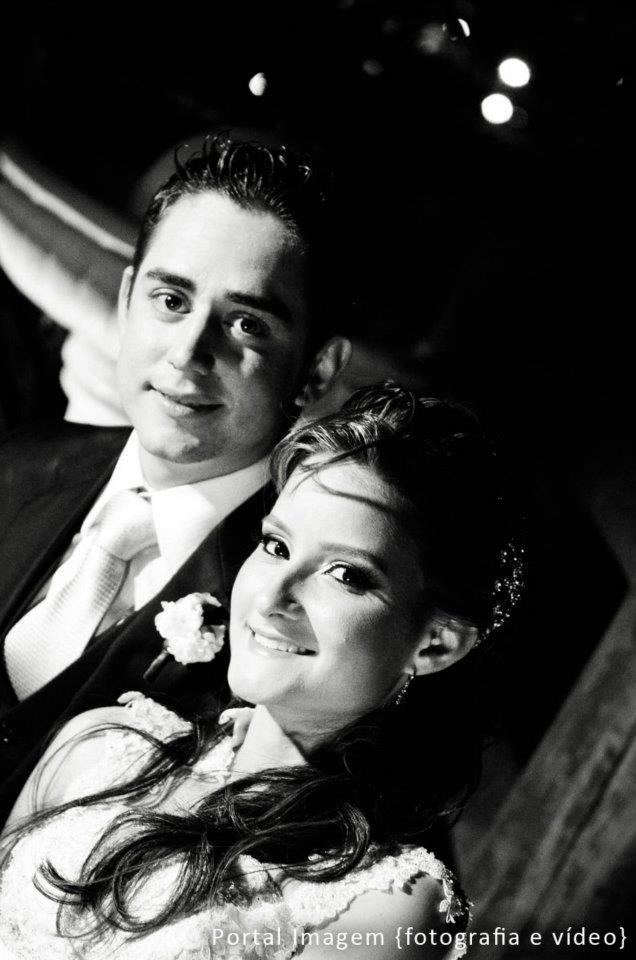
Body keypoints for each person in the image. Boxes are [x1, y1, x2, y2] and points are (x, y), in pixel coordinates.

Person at [0, 382, 522, 959]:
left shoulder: (385, 904)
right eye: (276, 546)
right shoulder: (96, 745)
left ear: (436, 645)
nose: (272, 596)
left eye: (346, 574)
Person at [0, 134, 351, 824]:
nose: (189, 353)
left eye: (246, 324)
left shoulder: (294, 617)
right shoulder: (20, 463)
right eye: (170, 300)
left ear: (316, 372)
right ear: (126, 299)